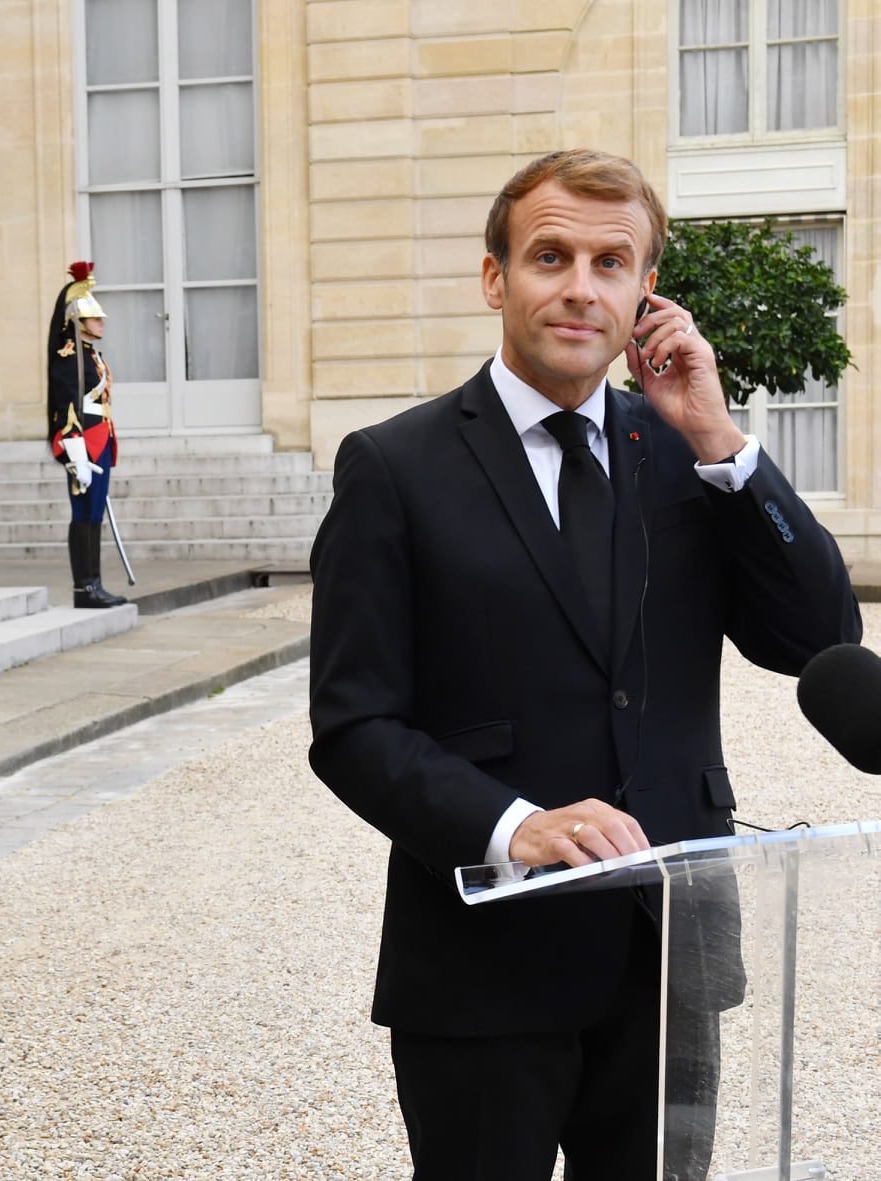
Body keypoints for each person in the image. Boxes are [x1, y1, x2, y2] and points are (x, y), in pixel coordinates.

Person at [307, 149, 860, 1179]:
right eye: (549, 256)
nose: (579, 287)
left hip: (671, 954)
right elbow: (351, 728)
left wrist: (719, 438)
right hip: (484, 962)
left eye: (611, 263)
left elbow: (817, 634)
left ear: (644, 290)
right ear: (494, 277)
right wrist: (514, 825)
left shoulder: (687, 451)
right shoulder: (392, 467)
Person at [47, 262, 125, 609]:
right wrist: (75, 451)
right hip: (84, 444)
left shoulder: (91, 355)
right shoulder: (69, 356)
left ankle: (95, 583)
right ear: (78, 321)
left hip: (101, 440)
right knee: (83, 514)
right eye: (95, 319)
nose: (101, 322)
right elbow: (66, 406)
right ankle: (84, 588)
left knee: (95, 514)